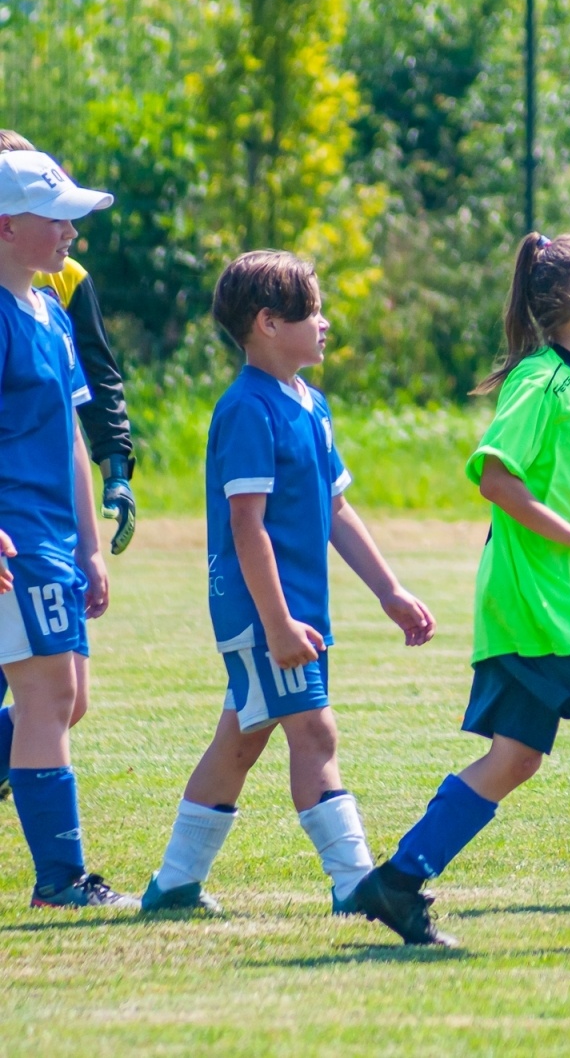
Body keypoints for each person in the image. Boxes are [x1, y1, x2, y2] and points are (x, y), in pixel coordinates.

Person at [351, 232, 570, 948]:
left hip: (537, 607)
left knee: (514, 759)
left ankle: (397, 881)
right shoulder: (541, 381)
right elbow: (494, 475)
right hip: (540, 607)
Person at [139, 250, 436, 944]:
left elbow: (335, 510)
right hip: (262, 610)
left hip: (295, 611)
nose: (326, 323)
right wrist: (275, 623)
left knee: (240, 741)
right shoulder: (246, 409)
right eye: (314, 312)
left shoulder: (312, 404)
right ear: (269, 323)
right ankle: (355, 882)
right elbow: (247, 527)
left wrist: (389, 590)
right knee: (315, 730)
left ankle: (174, 883)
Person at [0, 148, 137, 907]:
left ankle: (60, 874)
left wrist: (91, 545)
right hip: (15, 537)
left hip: (56, 538)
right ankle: (62, 880)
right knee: (48, 698)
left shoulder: (49, 313)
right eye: (56, 220)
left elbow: (71, 440)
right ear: (6, 226)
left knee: (65, 700)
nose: (70, 235)